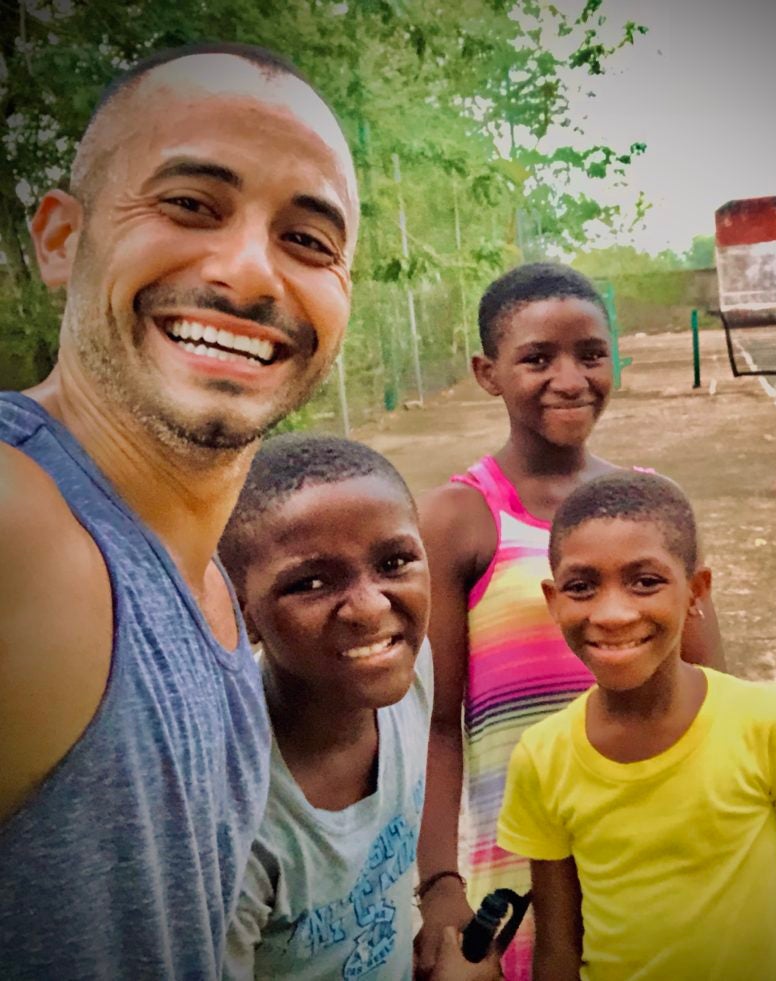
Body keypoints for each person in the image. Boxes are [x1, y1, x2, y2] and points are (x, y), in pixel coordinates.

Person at [0, 43, 359, 978]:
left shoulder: (208, 588)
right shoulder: (22, 523)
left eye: (309, 240)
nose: (249, 276)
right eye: (191, 204)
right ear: (60, 239)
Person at [414, 263, 727, 979]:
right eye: (536, 357)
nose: (570, 378)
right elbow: (435, 722)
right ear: (487, 372)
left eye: (590, 353)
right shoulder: (458, 519)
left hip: (661, 849)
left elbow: (711, 688)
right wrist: (440, 886)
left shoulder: (654, 504)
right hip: (525, 864)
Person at [497, 471, 776, 980]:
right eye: (581, 586)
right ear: (553, 598)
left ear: (696, 590)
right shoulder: (542, 757)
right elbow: (559, 946)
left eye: (645, 582)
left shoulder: (771, 725)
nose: (613, 613)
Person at [219, 434, 499, 981]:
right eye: (311, 582)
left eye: (395, 562)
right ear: (240, 610)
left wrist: (439, 885)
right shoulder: (229, 823)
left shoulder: (409, 670)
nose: (371, 608)